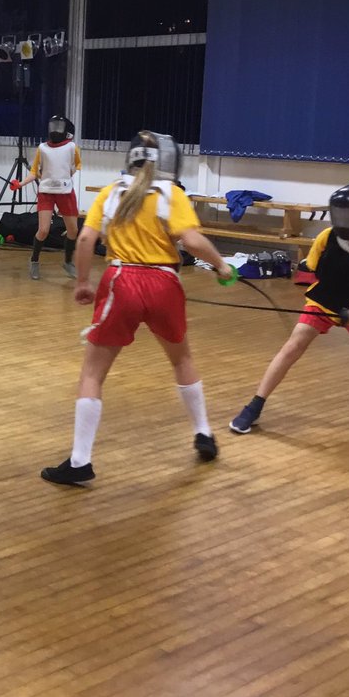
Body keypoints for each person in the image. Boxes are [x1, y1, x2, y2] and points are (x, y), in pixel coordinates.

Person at [41, 130, 235, 486]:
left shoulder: (112, 193)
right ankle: (204, 432)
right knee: (182, 359)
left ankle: (80, 460)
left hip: (122, 283)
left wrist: (83, 282)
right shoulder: (171, 194)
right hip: (165, 283)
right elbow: (191, 240)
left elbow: (85, 238)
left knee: (92, 374)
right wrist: (222, 265)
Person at [229, 180, 349, 434]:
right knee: (291, 347)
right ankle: (254, 405)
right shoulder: (326, 237)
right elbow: (313, 267)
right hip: (323, 303)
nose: (342, 221)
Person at [11, 115, 82, 280]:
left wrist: (63, 177)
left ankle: (68, 262)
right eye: (53, 126)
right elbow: (35, 172)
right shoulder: (42, 148)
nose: (55, 130)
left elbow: (75, 166)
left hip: (65, 192)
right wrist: (20, 184)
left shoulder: (72, 148)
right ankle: (34, 261)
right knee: (43, 230)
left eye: (59, 126)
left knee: (73, 230)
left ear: (67, 131)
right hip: (46, 192)